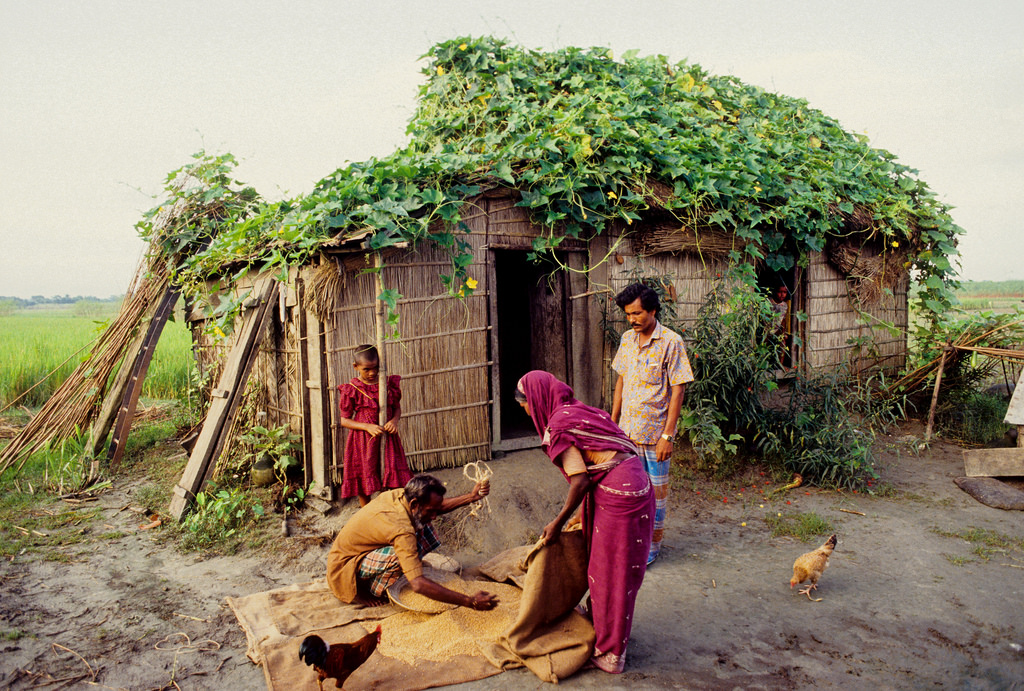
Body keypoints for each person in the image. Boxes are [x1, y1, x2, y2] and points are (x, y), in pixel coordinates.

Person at [516, 370, 655, 674]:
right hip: (638, 481)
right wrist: (581, 514)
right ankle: (601, 622)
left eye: (524, 404)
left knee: (610, 572)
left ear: (536, 400)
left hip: (618, 494)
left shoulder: (559, 426)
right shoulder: (581, 411)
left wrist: (557, 522)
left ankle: (611, 653)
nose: (525, 411)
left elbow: (580, 481)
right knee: (614, 567)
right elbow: (604, 457)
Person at [326, 474, 499, 611]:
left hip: (361, 549)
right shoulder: (401, 529)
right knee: (399, 555)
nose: (435, 516)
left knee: (423, 524)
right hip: (345, 568)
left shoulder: (403, 496)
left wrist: (471, 497)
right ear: (415, 503)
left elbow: (436, 506)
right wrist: (469, 601)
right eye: (431, 511)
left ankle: (407, 566)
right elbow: (417, 584)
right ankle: (365, 590)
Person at [611, 283, 694, 565]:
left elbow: (678, 390)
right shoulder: (627, 339)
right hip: (626, 435)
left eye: (637, 313)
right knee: (629, 494)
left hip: (655, 437)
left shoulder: (671, 342)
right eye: (627, 314)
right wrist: (613, 424)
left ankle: (649, 550)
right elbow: (621, 381)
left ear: (653, 311)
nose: (631, 320)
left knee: (654, 498)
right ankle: (629, 545)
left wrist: (667, 436)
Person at [338, 344, 412, 507]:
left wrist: (394, 421)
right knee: (364, 476)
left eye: (376, 368)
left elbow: (397, 408)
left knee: (390, 474)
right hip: (363, 442)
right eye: (366, 369)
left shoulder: (388, 385)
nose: (372, 373)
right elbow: (344, 420)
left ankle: (390, 510)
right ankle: (367, 512)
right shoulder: (352, 389)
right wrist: (367, 427)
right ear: (356, 367)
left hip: (388, 438)